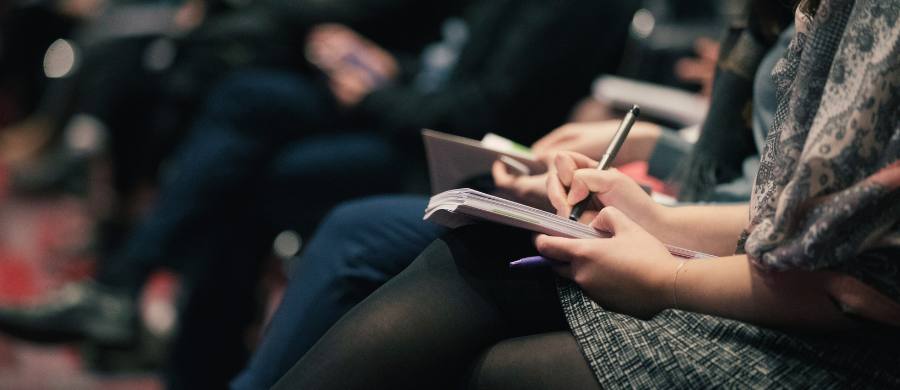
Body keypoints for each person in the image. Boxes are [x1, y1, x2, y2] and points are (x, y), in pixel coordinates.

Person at [0, 0, 639, 387]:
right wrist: (385, 69)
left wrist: (378, 92)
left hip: (467, 164)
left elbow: (482, 108)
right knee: (238, 105)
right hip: (416, 119)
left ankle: (146, 310)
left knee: (259, 178)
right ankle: (154, 321)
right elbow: (450, 66)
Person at [268, 0, 900, 387]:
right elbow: (788, 215)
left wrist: (666, 273)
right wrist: (657, 216)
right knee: (469, 249)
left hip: (850, 348)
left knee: (477, 347)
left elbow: (857, 278)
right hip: (772, 272)